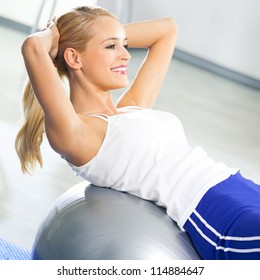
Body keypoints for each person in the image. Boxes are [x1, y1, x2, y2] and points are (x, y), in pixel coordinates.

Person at [15, 6, 260, 260]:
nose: (126, 55)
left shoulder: (133, 106)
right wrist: (60, 36)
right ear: (75, 58)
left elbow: (167, 30)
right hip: (214, 210)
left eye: (125, 45)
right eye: (112, 47)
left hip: (241, 186)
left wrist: (100, 36)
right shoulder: (78, 134)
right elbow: (32, 48)